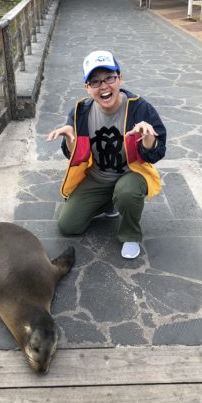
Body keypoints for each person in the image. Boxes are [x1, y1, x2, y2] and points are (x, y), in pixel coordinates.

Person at [47, 50, 166, 259]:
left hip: (131, 174)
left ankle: (130, 234)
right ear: (87, 88)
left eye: (109, 78)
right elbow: (73, 155)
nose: (103, 86)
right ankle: (110, 201)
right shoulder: (80, 112)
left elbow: (156, 153)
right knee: (68, 225)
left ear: (120, 78)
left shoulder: (140, 109)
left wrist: (147, 139)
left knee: (127, 192)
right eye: (95, 82)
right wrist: (68, 139)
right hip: (97, 177)